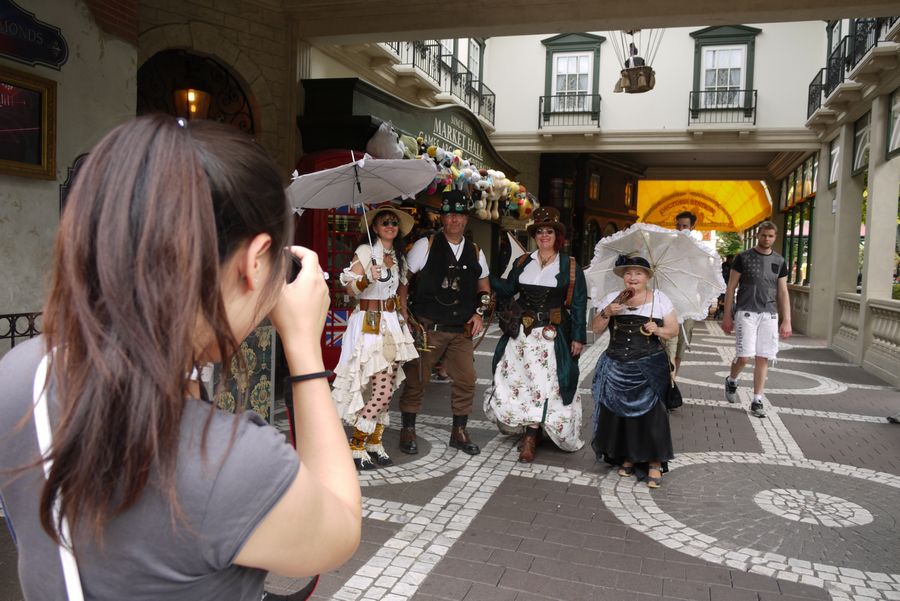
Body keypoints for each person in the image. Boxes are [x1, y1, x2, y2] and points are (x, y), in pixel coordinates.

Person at [0, 115, 361, 599]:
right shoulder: (234, 464)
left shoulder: (20, 373)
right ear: (254, 261)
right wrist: (303, 348)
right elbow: (340, 528)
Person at [484, 207, 587, 463]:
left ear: (557, 236)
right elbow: (508, 289)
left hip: (551, 337)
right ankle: (529, 427)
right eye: (539, 231)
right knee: (520, 381)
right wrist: (484, 274)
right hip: (521, 335)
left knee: (544, 385)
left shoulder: (570, 266)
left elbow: (578, 304)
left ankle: (531, 437)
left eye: (549, 231)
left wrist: (578, 337)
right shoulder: (523, 262)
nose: (544, 236)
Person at [397, 190, 490, 456]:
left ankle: (459, 432)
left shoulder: (475, 250)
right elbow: (404, 281)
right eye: (449, 215)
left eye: (460, 215)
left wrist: (480, 313)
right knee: (416, 380)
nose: (455, 220)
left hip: (461, 330)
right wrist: (403, 313)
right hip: (429, 328)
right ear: (442, 218)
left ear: (466, 218)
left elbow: (484, 286)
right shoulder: (425, 245)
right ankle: (408, 429)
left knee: (467, 381)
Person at [334, 207, 418, 471]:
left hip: (392, 324)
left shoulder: (398, 256)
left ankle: (374, 443)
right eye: (385, 222)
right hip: (368, 324)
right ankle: (357, 445)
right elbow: (349, 289)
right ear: (375, 228)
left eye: (394, 222)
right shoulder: (365, 252)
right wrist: (369, 277)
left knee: (387, 389)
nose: (390, 226)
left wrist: (404, 316)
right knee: (381, 391)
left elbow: (401, 291)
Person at [591, 255, 679, 489]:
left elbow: (673, 330)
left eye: (638, 273)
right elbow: (595, 329)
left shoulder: (659, 299)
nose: (632, 277)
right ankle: (628, 456)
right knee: (621, 415)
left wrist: (658, 330)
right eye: (628, 273)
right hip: (616, 364)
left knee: (652, 416)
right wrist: (606, 312)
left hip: (649, 365)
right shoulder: (613, 298)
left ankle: (654, 462)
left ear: (647, 276)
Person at [722, 220, 792, 417]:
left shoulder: (779, 261)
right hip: (746, 312)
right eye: (763, 235)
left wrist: (786, 319)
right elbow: (731, 288)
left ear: (775, 237)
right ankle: (732, 380)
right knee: (744, 357)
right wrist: (727, 316)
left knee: (763, 357)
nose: (766, 239)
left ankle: (757, 400)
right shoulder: (743, 257)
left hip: (769, 313)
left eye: (770, 236)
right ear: (757, 235)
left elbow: (783, 291)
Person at [669, 210, 698, 377]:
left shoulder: (697, 250)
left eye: (685, 226)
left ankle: (673, 379)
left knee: (681, 345)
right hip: (668, 303)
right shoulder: (667, 247)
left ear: (692, 227)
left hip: (687, 304)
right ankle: (666, 381)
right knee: (666, 345)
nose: (681, 229)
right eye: (678, 225)